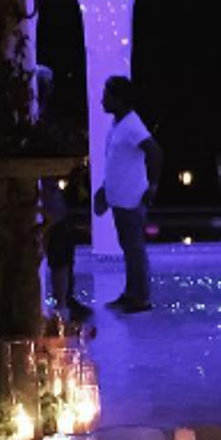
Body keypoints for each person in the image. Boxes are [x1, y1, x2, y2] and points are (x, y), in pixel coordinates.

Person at [93, 76, 162, 314]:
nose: (102, 99)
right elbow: (117, 162)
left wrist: (152, 186)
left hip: (131, 198)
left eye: (107, 95)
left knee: (134, 248)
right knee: (129, 247)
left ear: (119, 99)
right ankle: (131, 293)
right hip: (120, 197)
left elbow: (155, 152)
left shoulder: (132, 125)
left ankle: (140, 297)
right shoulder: (119, 123)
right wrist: (105, 188)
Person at [37, 66, 91, 321]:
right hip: (38, 197)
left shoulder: (52, 120)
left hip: (52, 198)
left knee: (61, 252)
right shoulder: (32, 119)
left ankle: (63, 302)